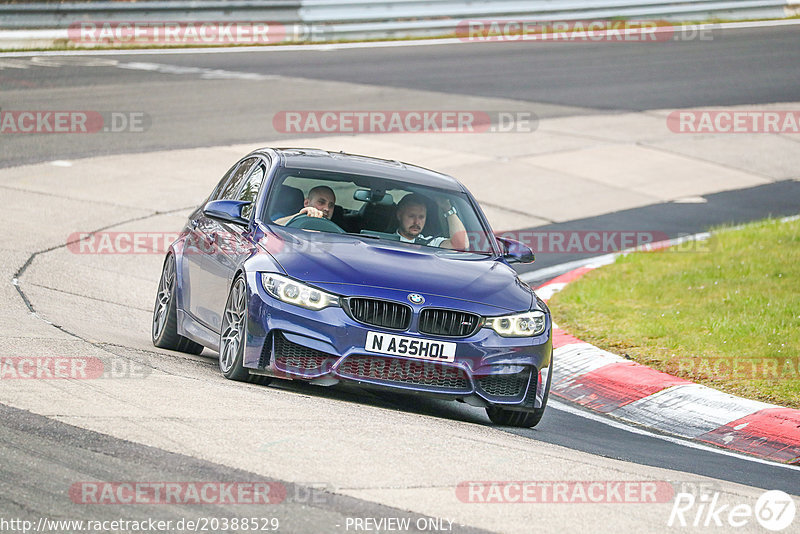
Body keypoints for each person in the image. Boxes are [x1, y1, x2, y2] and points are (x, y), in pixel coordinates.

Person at [394, 193, 467, 249]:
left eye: (421, 217)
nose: (416, 222)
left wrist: (447, 208)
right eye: (411, 216)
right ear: (399, 215)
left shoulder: (430, 244)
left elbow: (461, 245)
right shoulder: (384, 240)